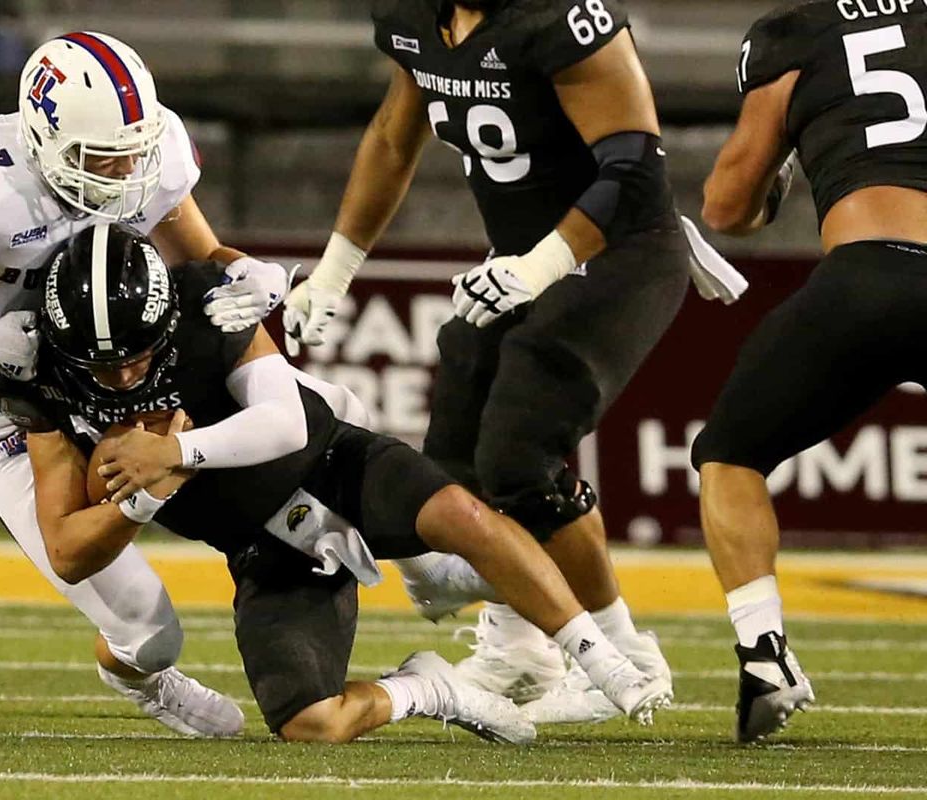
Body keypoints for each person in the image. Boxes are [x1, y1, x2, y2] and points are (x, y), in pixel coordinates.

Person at [0, 223, 673, 743]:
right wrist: (146, 493)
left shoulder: (204, 303)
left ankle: (604, 660)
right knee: (309, 724)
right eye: (100, 365)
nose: (122, 378)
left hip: (331, 464)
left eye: (138, 355)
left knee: (464, 519)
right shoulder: (40, 379)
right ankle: (430, 689)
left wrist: (179, 452)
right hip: (264, 545)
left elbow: (285, 424)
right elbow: (68, 550)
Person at [0, 32, 294, 736]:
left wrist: (246, 271)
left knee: (291, 418)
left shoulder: (152, 156)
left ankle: (402, 541)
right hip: (10, 402)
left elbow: (203, 253)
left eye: (132, 150)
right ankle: (141, 678)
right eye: (101, 155)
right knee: (148, 629)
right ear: (44, 140)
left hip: (120, 379)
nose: (122, 170)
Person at [281, 0, 685, 720]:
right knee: (453, 465)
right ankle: (520, 648)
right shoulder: (417, 20)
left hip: (621, 255)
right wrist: (335, 271)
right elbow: (391, 140)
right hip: (521, 261)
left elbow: (633, 163)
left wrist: (538, 268)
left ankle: (622, 653)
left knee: (520, 458)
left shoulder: (561, 19)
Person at [694, 0, 927, 742]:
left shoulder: (797, 31)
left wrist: (782, 179)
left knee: (729, 458)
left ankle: (765, 652)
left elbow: (728, 205)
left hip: (865, 275)